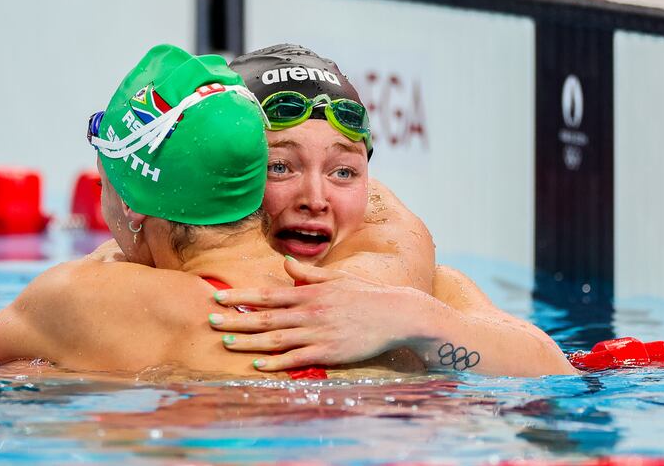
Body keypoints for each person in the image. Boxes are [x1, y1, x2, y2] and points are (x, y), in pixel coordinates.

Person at [0, 44, 424, 378]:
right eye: (283, 166)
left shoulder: (80, 297)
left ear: (131, 202)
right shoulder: (384, 310)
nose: (315, 199)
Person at [204, 44, 578, 376]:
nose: (315, 200)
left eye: (343, 172)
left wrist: (409, 319)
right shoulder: (169, 279)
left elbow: (555, 373)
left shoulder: (423, 290)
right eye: (281, 167)